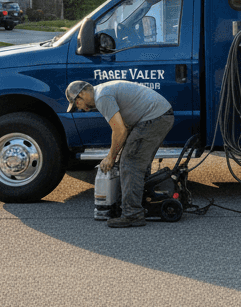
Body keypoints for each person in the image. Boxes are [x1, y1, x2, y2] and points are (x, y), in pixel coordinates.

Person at [65, 80, 174, 228]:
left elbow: (120, 131)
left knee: (130, 163)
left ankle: (132, 214)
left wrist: (111, 157)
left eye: (76, 102)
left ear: (83, 93)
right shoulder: (103, 92)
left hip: (153, 118)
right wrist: (118, 152)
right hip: (159, 115)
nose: (78, 108)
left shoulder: (102, 97)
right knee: (135, 161)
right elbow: (124, 128)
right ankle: (140, 204)